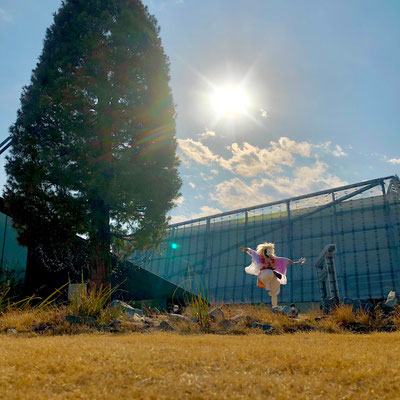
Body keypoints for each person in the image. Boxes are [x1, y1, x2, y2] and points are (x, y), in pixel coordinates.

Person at [240, 242, 305, 308]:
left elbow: (281, 259)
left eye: (271, 251)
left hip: (272, 274)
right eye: (268, 250)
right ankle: (267, 285)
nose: (269, 252)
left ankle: (274, 305)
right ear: (264, 251)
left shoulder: (273, 258)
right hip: (264, 273)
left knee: (276, 287)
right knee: (269, 273)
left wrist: (288, 261)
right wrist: (244, 249)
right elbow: (252, 252)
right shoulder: (260, 256)